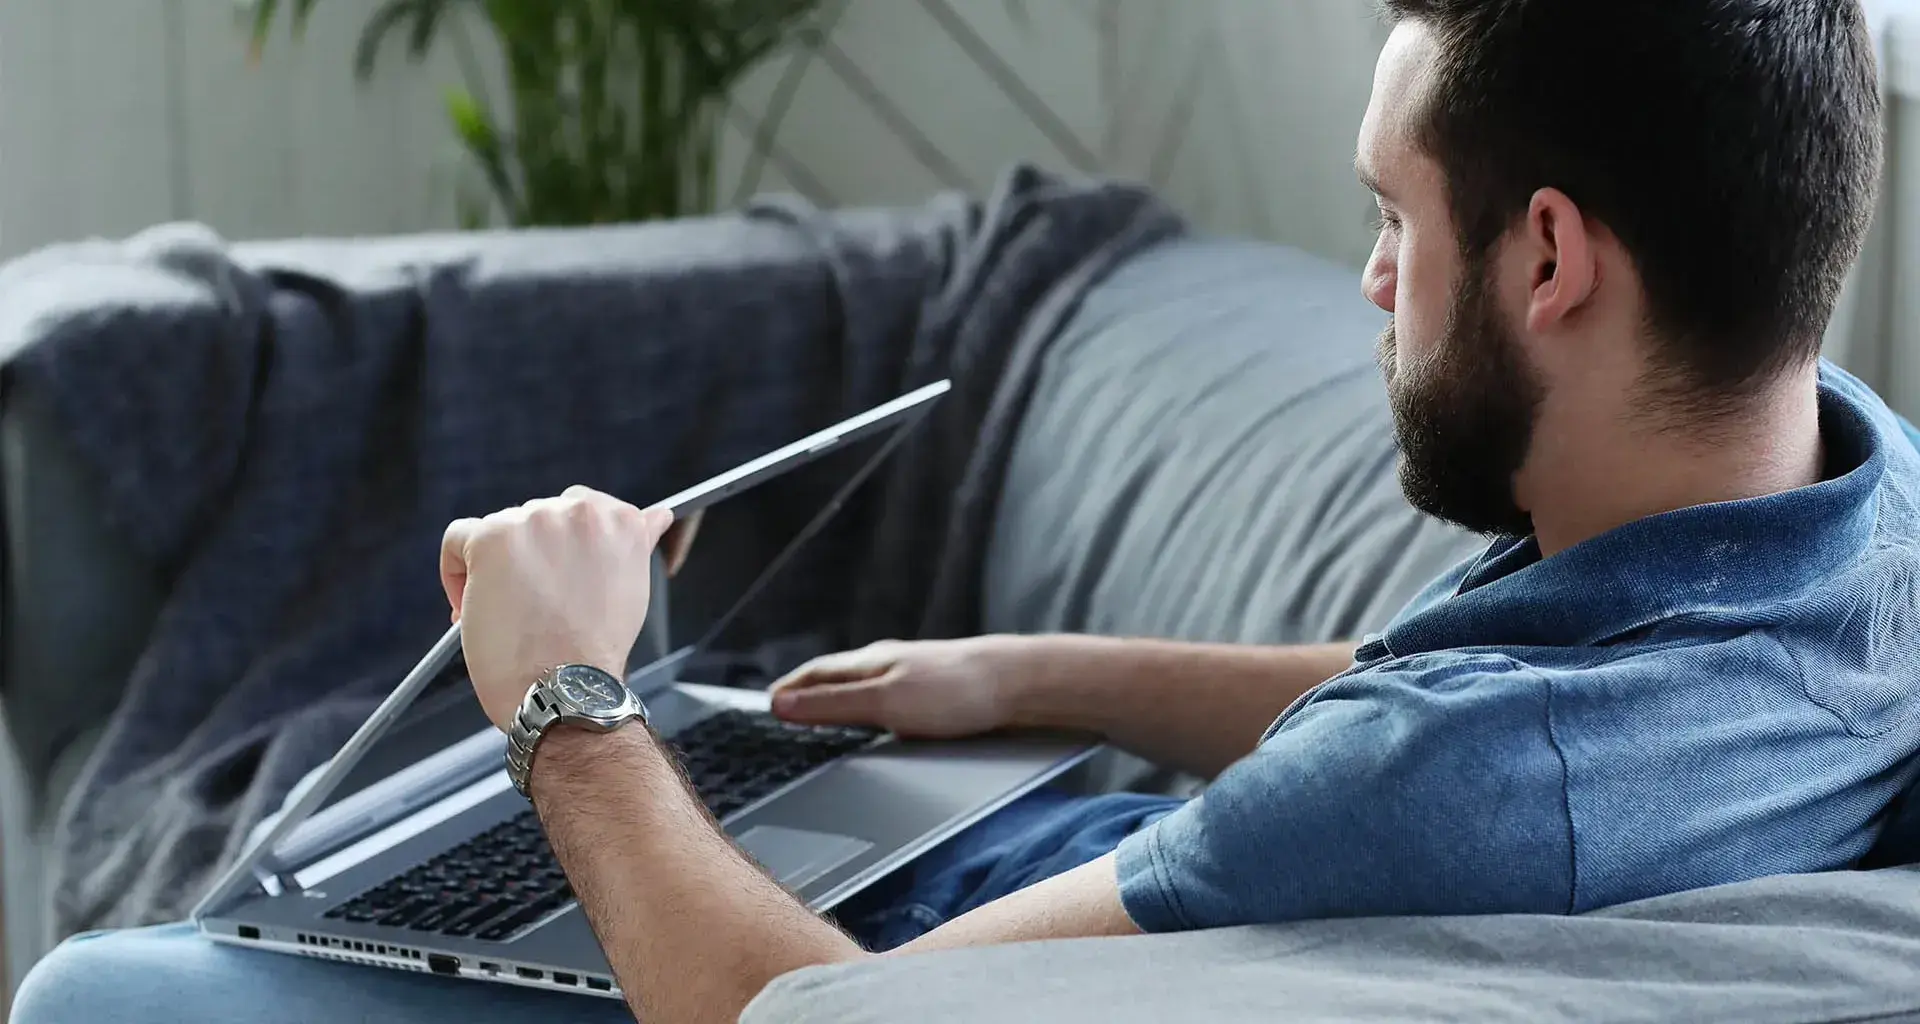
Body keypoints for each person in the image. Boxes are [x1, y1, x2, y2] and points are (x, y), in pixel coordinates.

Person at [15, 2, 1909, 1022]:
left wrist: (565, 706)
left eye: (1395, 223)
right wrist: (1028, 674)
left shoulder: (1456, 785)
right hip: (1016, 846)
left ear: (1553, 258)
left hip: (789, 959)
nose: (1370, 284)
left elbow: (794, 1020)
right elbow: (1472, 688)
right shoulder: (1853, 504)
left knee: (101, 991)